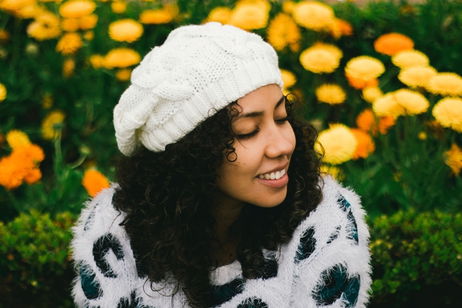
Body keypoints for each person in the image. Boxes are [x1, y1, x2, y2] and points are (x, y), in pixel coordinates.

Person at [70, 22, 371, 308]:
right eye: (247, 131)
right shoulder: (113, 228)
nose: (282, 145)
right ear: (192, 153)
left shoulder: (324, 220)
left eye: (281, 118)